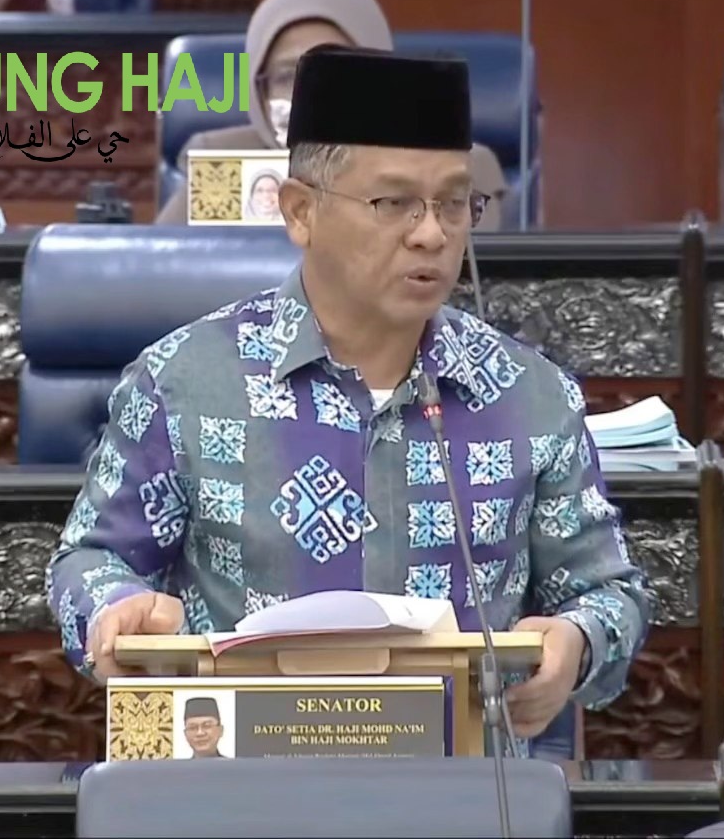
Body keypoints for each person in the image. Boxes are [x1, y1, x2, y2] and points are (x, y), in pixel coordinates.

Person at [48, 45, 649, 752]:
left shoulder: (528, 395)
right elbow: (89, 559)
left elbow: (610, 591)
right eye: (393, 203)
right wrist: (113, 608)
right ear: (300, 211)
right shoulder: (184, 383)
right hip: (239, 783)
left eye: (454, 203)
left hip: (460, 787)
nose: (431, 234)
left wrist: (578, 639)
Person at [154, 0, 509, 230]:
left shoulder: (458, 166)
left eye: (334, 74)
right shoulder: (222, 160)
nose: (310, 94)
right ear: (258, 89)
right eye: (286, 76)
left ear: (381, 76)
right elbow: (160, 272)